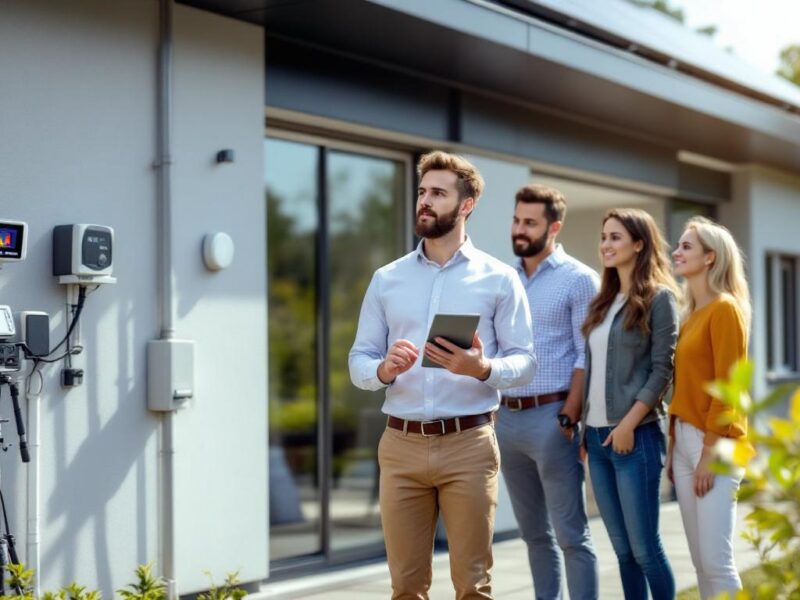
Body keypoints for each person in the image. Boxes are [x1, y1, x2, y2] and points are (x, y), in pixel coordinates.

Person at [349, 151, 536, 600]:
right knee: (406, 587)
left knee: (473, 585)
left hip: (468, 445)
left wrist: (482, 368)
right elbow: (359, 360)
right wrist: (383, 368)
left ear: (466, 205)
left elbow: (525, 361)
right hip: (400, 446)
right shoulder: (387, 279)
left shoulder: (498, 278)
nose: (425, 201)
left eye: (438, 193)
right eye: (422, 192)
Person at [496, 184, 599, 600]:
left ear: (554, 228)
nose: (519, 230)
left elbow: (585, 354)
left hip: (553, 417)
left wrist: (569, 416)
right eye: (516, 220)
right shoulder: (504, 277)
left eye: (530, 223)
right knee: (534, 535)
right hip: (507, 420)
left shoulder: (579, 280)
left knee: (571, 535)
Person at [581, 208, 679, 600]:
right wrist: (587, 431)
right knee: (622, 552)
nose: (606, 244)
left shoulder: (660, 298)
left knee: (645, 550)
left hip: (636, 439)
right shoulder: (603, 302)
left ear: (639, 244)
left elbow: (663, 369)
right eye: (604, 237)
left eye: (615, 237)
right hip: (597, 440)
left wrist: (627, 424)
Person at [668, 216, 751, 599]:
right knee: (701, 562)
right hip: (686, 442)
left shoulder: (724, 309)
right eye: (678, 245)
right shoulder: (690, 317)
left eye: (686, 246)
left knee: (717, 562)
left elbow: (729, 387)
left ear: (710, 257)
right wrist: (675, 448)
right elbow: (685, 389)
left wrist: (708, 454)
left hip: (715, 446)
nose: (676, 252)